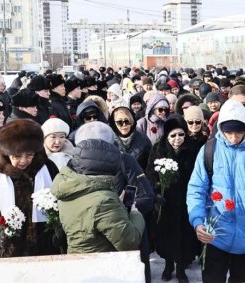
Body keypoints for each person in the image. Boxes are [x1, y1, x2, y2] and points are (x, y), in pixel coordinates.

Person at [187, 99, 245, 283]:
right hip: (215, 236)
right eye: (229, 133)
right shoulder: (209, 151)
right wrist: (198, 222)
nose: (234, 138)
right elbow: (196, 189)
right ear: (221, 129)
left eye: (239, 132)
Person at [0, 119, 59, 258]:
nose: (23, 161)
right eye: (16, 156)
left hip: (45, 249)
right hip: (7, 253)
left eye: (29, 155)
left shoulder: (48, 169)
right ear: (6, 153)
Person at [50, 122, 145, 254]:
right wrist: (135, 214)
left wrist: (117, 204)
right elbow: (129, 242)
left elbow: (89, 216)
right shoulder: (104, 201)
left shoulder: (68, 186)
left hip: (76, 259)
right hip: (100, 264)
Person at [146, 115, 201, 283]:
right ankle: (168, 265)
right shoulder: (158, 149)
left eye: (181, 134)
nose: (178, 139)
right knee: (167, 235)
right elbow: (150, 173)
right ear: (167, 136)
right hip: (166, 203)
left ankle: (181, 268)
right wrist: (157, 192)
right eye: (173, 135)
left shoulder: (193, 149)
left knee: (184, 236)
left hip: (186, 201)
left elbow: (199, 174)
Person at [109, 100, 152, 171]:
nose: (124, 125)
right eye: (119, 122)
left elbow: (149, 165)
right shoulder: (109, 139)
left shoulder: (143, 139)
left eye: (127, 121)